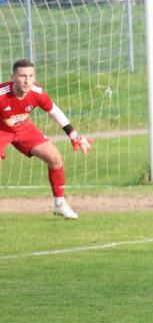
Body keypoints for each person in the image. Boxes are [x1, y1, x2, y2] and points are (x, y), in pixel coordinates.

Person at [1, 59, 93, 219]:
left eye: (30, 75)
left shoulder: (37, 93)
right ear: (13, 77)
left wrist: (74, 135)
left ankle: (59, 204)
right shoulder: (2, 94)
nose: (27, 80)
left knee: (55, 157)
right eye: (22, 76)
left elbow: (54, 111)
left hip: (24, 128)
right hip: (1, 130)